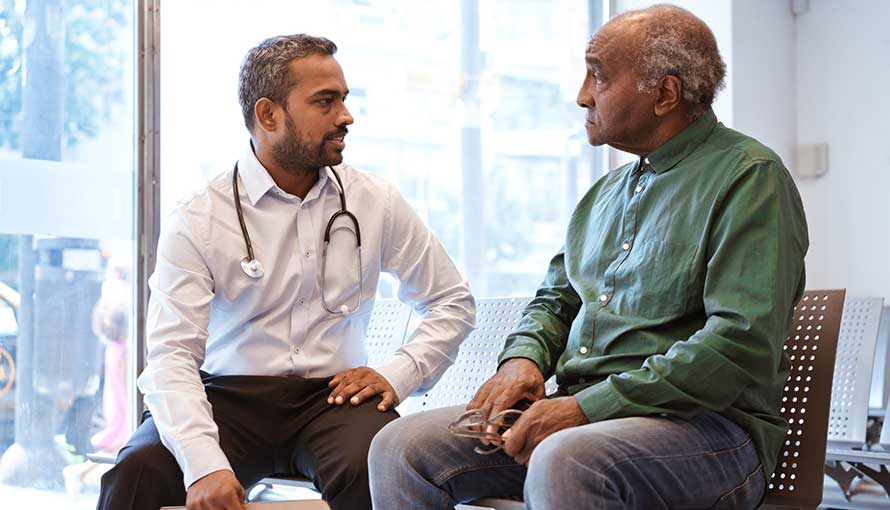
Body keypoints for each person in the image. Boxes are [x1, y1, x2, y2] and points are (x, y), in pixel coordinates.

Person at [368, 5, 808, 509]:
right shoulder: (604, 194)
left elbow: (739, 344)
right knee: (401, 447)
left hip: (707, 433)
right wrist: (523, 359)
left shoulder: (750, 176)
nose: (582, 95)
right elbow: (555, 301)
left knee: (566, 459)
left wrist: (587, 408)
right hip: (583, 419)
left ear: (665, 94)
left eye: (598, 76)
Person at [97, 34, 475, 510]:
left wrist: (399, 372)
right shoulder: (199, 218)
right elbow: (171, 355)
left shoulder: (374, 201)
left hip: (334, 400)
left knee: (378, 469)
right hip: (227, 399)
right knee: (137, 474)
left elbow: (452, 301)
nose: (346, 116)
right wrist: (204, 465)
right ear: (268, 115)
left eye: (344, 99)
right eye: (325, 101)